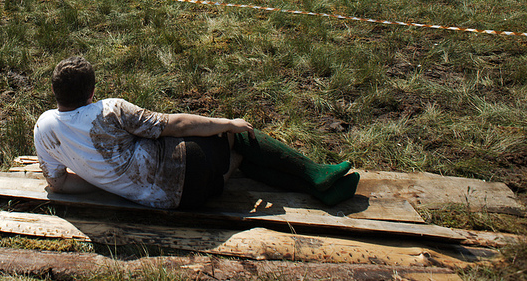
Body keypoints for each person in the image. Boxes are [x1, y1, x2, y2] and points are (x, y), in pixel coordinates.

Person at [34, 56, 360, 209]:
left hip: (181, 201)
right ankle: (314, 173)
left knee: (239, 158)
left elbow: (59, 183)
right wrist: (226, 123)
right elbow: (173, 124)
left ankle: (321, 190)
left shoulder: (43, 128)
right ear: (92, 91)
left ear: (56, 93)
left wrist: (108, 184)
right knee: (238, 137)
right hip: (192, 167)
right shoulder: (109, 110)